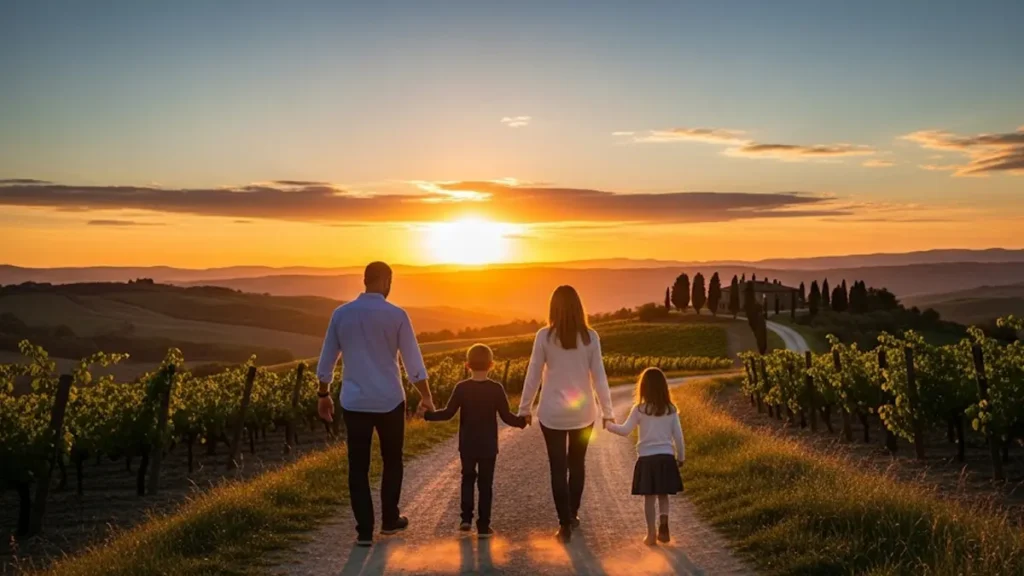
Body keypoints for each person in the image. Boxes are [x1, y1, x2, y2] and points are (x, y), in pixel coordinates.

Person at [316, 261, 435, 547]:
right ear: (385, 281)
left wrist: (324, 394)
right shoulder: (396, 315)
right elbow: (413, 363)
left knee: (357, 466)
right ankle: (390, 520)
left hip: (355, 402)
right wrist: (427, 396)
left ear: (365, 279)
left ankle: (365, 531)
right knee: (393, 460)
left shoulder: (341, 314)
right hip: (389, 400)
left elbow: (327, 358)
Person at [518, 285, 614, 543]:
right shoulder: (591, 337)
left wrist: (524, 408)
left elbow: (533, 374)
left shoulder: (543, 336)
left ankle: (563, 524)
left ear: (553, 308)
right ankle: (572, 514)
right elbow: (600, 377)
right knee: (577, 464)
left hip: (552, 414)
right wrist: (608, 411)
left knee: (557, 468)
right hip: (584, 413)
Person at [423, 344, 527, 538]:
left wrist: (428, 415)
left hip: (468, 444)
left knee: (468, 479)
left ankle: (465, 519)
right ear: (492, 365)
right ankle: (483, 526)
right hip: (488, 446)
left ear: (467, 365)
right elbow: (506, 417)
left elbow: (447, 414)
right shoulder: (496, 389)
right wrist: (522, 422)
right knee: (486, 484)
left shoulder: (461, 388)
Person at [605, 367, 685, 546]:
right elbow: (678, 437)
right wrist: (681, 457)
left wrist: (609, 425)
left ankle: (651, 535)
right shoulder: (671, 410)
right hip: (666, 457)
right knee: (663, 495)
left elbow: (625, 430)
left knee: (649, 498)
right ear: (664, 387)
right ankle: (664, 524)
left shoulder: (639, 409)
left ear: (643, 388)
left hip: (647, 459)